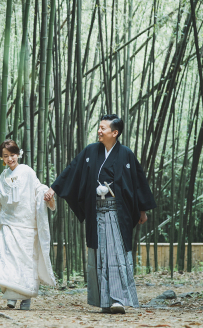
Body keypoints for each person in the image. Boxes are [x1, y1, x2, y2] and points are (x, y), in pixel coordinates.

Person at [44, 115, 156, 314]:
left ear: (115, 133)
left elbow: (137, 182)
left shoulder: (126, 154)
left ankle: (118, 299)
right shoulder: (90, 151)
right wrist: (55, 188)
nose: (99, 131)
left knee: (115, 253)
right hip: (97, 212)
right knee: (100, 255)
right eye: (99, 127)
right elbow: (72, 169)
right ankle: (104, 300)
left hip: (118, 213)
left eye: (103, 128)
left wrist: (142, 209)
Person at [0, 140, 56, 310]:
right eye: (6, 156)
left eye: (12, 155)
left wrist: (48, 195)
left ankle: (26, 297)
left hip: (26, 224)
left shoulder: (27, 171)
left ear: (18, 154)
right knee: (9, 261)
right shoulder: (3, 176)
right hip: (9, 223)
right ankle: (11, 297)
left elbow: (38, 188)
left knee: (26, 261)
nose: (10, 158)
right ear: (1, 158)